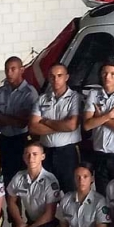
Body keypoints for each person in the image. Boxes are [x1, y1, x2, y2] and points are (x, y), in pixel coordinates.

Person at [29, 64, 81, 194]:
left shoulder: (75, 97)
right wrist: (62, 126)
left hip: (67, 152)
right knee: (47, 193)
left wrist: (45, 121)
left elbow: (71, 125)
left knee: (71, 192)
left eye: (59, 76)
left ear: (66, 77)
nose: (56, 79)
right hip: (46, 152)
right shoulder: (42, 99)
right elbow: (33, 127)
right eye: (52, 76)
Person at [84, 58, 114, 194]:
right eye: (104, 73)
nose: (107, 77)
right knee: (102, 194)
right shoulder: (94, 94)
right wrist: (109, 116)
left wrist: (99, 117)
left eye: (112, 73)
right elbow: (87, 125)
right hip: (99, 153)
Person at [0, 56, 38, 187]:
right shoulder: (1, 92)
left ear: (21, 70)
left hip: (22, 139)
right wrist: (13, 118)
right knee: (7, 178)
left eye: (13, 69)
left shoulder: (29, 93)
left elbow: (24, 122)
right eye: (7, 69)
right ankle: (12, 207)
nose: (9, 73)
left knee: (24, 177)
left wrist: (5, 117)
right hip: (5, 140)